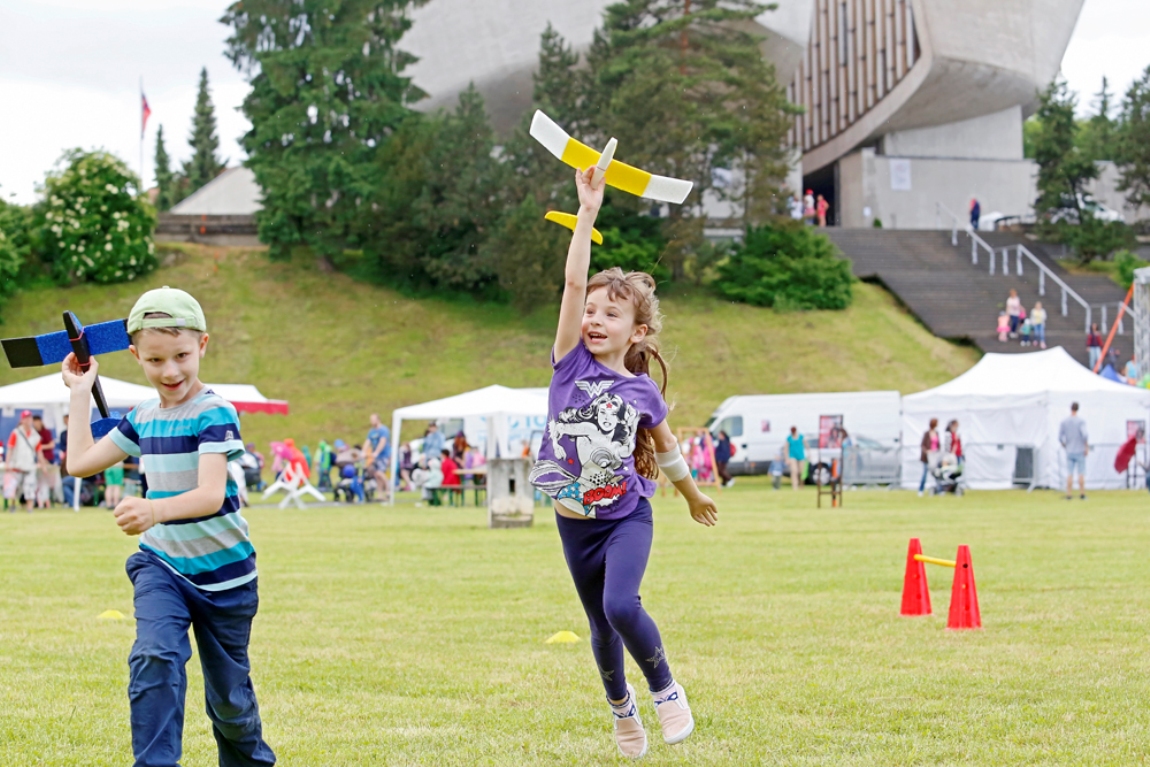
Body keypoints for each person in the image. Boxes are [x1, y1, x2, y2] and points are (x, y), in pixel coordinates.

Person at [528, 165, 717, 758]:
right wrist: (586, 214)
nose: (593, 320)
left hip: (626, 517)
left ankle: (665, 690)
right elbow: (570, 283)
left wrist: (692, 497)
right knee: (600, 629)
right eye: (592, 312)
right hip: (573, 523)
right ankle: (622, 714)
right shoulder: (568, 364)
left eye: (610, 315)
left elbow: (670, 452)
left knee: (619, 605)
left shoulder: (642, 392)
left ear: (636, 332)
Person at [60, 286, 275, 766]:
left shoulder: (213, 411)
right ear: (136, 356)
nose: (170, 371)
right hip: (162, 567)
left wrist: (154, 510)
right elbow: (79, 463)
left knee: (229, 703)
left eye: (181, 355)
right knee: (154, 658)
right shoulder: (143, 417)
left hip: (226, 580)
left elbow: (211, 494)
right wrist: (79, 394)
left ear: (202, 346)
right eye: (155, 360)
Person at [6, 410, 40, 512]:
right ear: (22, 420)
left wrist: (41, 463)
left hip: (29, 465)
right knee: (15, 488)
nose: (28, 420)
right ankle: (12, 505)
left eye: (29, 418)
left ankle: (29, 508)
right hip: (17, 465)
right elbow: (10, 448)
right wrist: (8, 463)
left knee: (30, 487)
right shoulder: (16, 433)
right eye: (25, 418)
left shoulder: (35, 435)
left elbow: (39, 451)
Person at [1059, 402, 1088, 500]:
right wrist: (1086, 447)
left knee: (1070, 473)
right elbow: (1085, 435)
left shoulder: (1064, 422)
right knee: (1081, 473)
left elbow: (1060, 437)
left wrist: (1065, 446)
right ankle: (1082, 494)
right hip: (1079, 450)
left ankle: (1069, 494)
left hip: (1069, 450)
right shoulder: (1080, 422)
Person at [32, 414, 58, 508]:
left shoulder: (46, 432)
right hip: (37, 460)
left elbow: (52, 445)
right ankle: (40, 502)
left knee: (45, 483)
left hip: (47, 460)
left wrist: (40, 447)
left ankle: (46, 502)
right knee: (38, 483)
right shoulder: (32, 433)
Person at [365, 413, 391, 501]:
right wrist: (363, 452)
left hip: (383, 455)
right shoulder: (371, 431)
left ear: (378, 419)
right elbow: (367, 442)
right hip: (376, 456)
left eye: (373, 419)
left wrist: (376, 452)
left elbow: (382, 442)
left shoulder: (383, 430)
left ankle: (388, 490)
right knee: (377, 475)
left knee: (380, 473)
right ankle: (380, 494)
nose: (371, 421)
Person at [918, 418, 941, 497]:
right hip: (927, 457)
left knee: (937, 474)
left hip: (934, 456)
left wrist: (938, 451)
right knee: (924, 474)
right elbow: (922, 445)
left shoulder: (937, 433)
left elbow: (938, 445)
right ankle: (921, 490)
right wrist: (927, 451)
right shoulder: (927, 433)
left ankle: (939, 490)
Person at [785, 426, 805, 490]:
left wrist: (809, 454)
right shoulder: (789, 438)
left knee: (801, 472)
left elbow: (806, 445)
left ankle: (801, 485)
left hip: (801, 456)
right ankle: (795, 487)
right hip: (792, 456)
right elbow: (786, 448)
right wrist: (787, 458)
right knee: (794, 471)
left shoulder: (801, 437)